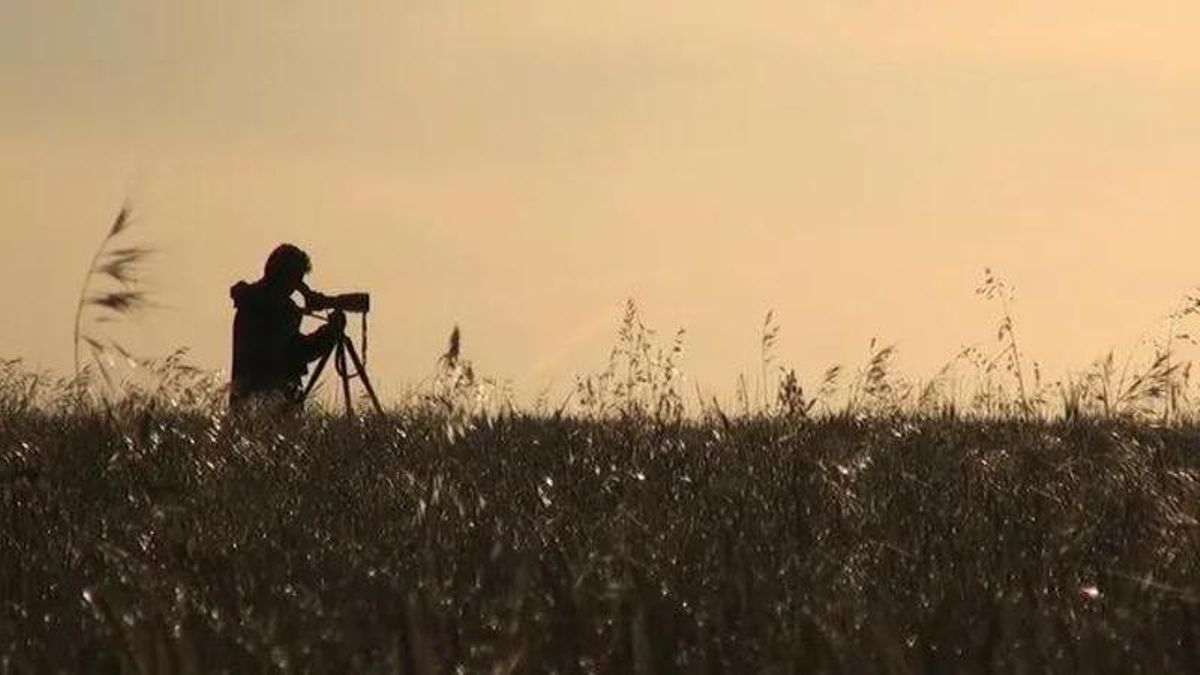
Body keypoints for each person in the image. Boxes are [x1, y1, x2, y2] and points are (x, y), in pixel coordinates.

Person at [229, 244, 345, 409]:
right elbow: (296, 352)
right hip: (276, 404)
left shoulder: (251, 300)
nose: (297, 285)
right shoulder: (277, 308)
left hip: (246, 402)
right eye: (296, 278)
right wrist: (329, 332)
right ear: (286, 277)